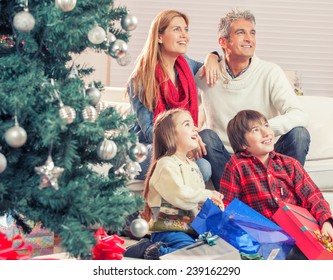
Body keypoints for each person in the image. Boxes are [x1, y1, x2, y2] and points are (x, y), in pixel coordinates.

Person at [195, 8, 310, 190]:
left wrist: (260, 131)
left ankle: (282, 197)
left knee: (300, 134)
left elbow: (300, 115)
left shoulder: (270, 72)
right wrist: (210, 57)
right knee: (206, 136)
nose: (249, 38)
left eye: (252, 33)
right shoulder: (206, 75)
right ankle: (240, 199)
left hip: (266, 156)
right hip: (229, 160)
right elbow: (184, 110)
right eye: (241, 33)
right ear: (223, 42)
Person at [219, 109, 333, 259]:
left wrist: (326, 221)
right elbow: (227, 206)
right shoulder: (237, 165)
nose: (266, 133)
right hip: (266, 240)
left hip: (300, 235)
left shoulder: (289, 164)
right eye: (255, 130)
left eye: (266, 125)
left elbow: (313, 196)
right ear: (243, 144)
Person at [126, 10, 220, 182]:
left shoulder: (186, 64)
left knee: (206, 151)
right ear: (159, 37)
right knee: (202, 169)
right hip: (145, 148)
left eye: (186, 29)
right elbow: (149, 131)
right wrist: (184, 142)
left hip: (177, 143)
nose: (184, 35)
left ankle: (232, 204)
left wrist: (212, 56)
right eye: (177, 29)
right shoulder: (141, 77)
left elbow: (210, 66)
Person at [124, 108, 224, 259]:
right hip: (169, 230)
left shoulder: (192, 165)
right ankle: (151, 249)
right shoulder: (165, 165)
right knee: (192, 255)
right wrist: (208, 194)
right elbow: (181, 195)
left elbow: (195, 202)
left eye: (193, 124)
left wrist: (213, 206)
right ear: (171, 135)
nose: (195, 128)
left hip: (190, 230)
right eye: (187, 124)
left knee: (216, 250)